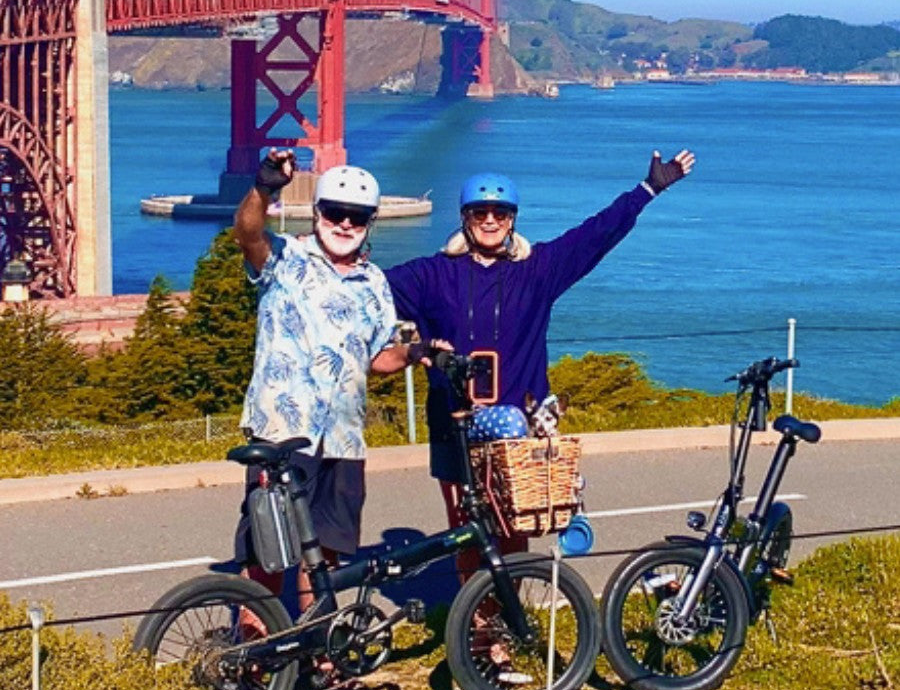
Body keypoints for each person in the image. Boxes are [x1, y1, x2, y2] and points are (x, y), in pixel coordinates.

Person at [385, 149, 695, 564]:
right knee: (464, 530)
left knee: (515, 524)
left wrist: (648, 189)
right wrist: (316, 257)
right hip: (452, 421)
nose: (490, 221)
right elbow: (368, 290)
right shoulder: (433, 275)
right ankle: (474, 624)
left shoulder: (536, 271)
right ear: (465, 218)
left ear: (512, 219)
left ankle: (506, 621)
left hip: (519, 422)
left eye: (500, 213)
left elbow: (595, 235)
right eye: (480, 213)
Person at [232, 149, 439, 612]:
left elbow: (377, 358)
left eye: (358, 218)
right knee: (267, 550)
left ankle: (317, 648)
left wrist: (414, 353)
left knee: (324, 557)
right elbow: (246, 233)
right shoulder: (284, 258)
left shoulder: (375, 283)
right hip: (284, 433)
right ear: (317, 212)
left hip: (344, 440)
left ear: (370, 224)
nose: (345, 225)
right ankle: (251, 653)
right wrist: (264, 188)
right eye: (336, 213)